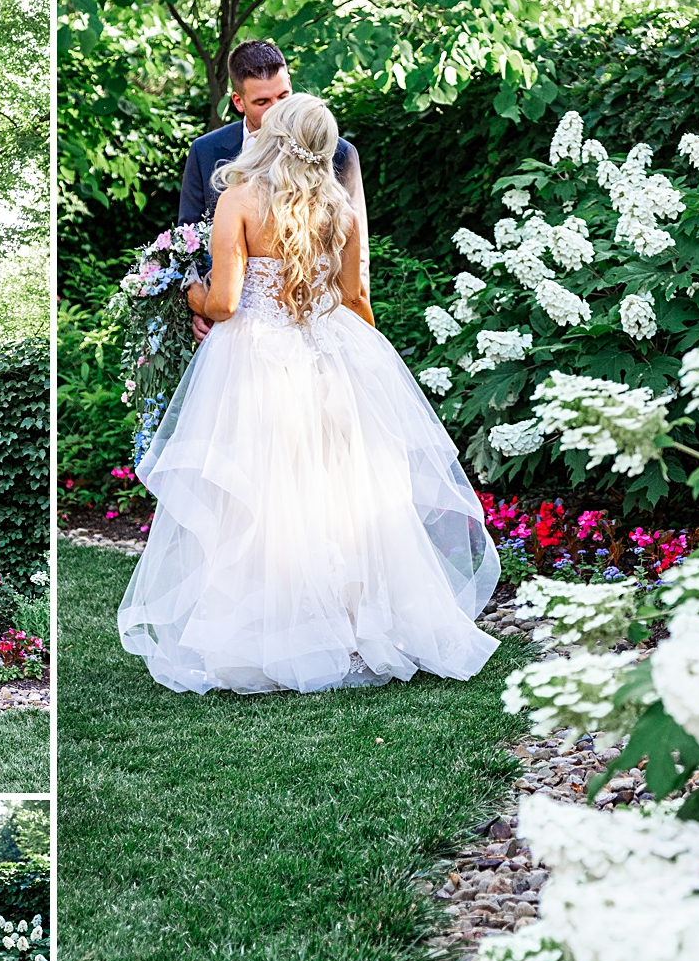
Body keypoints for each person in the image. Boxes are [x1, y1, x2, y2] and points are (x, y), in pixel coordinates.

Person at [119, 93, 500, 694]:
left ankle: (269, 632)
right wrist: (368, 365)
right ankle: (351, 629)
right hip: (328, 350)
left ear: (272, 134)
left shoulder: (239, 200)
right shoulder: (336, 207)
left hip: (256, 358)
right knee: (338, 491)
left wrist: (187, 296)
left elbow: (221, 303)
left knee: (262, 494)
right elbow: (354, 296)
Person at [178, 39, 370, 338]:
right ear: (239, 102)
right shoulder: (206, 151)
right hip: (237, 333)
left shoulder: (339, 153)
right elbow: (189, 237)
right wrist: (200, 307)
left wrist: (362, 341)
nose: (279, 110)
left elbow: (355, 258)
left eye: (283, 96)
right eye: (262, 102)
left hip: (318, 324)